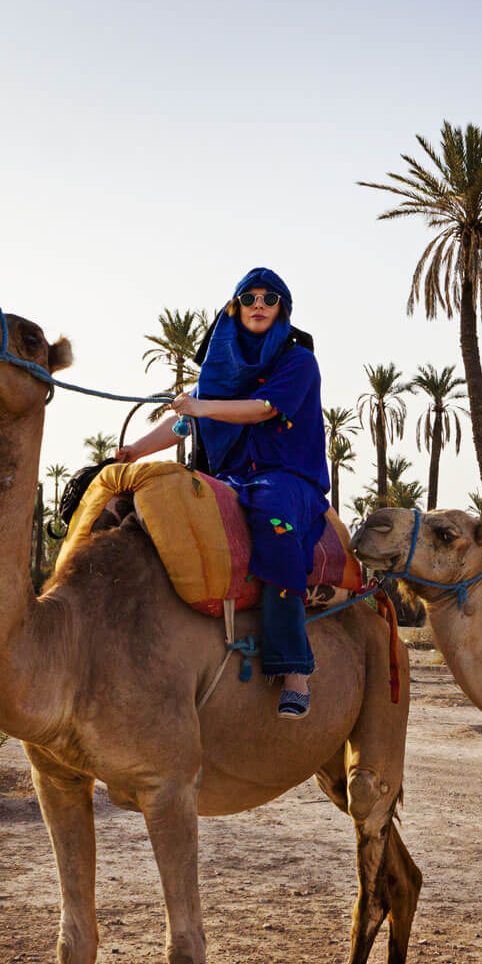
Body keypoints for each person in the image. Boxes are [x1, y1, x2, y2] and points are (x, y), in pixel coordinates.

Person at [115, 268, 329, 719]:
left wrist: (201, 405)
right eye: (248, 297)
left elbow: (264, 408)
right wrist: (134, 450)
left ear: (281, 310)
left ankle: (294, 670)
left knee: (274, 522)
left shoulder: (298, 362)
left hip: (286, 478)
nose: (258, 304)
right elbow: (181, 423)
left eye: (269, 298)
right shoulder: (220, 375)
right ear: (233, 308)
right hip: (230, 478)